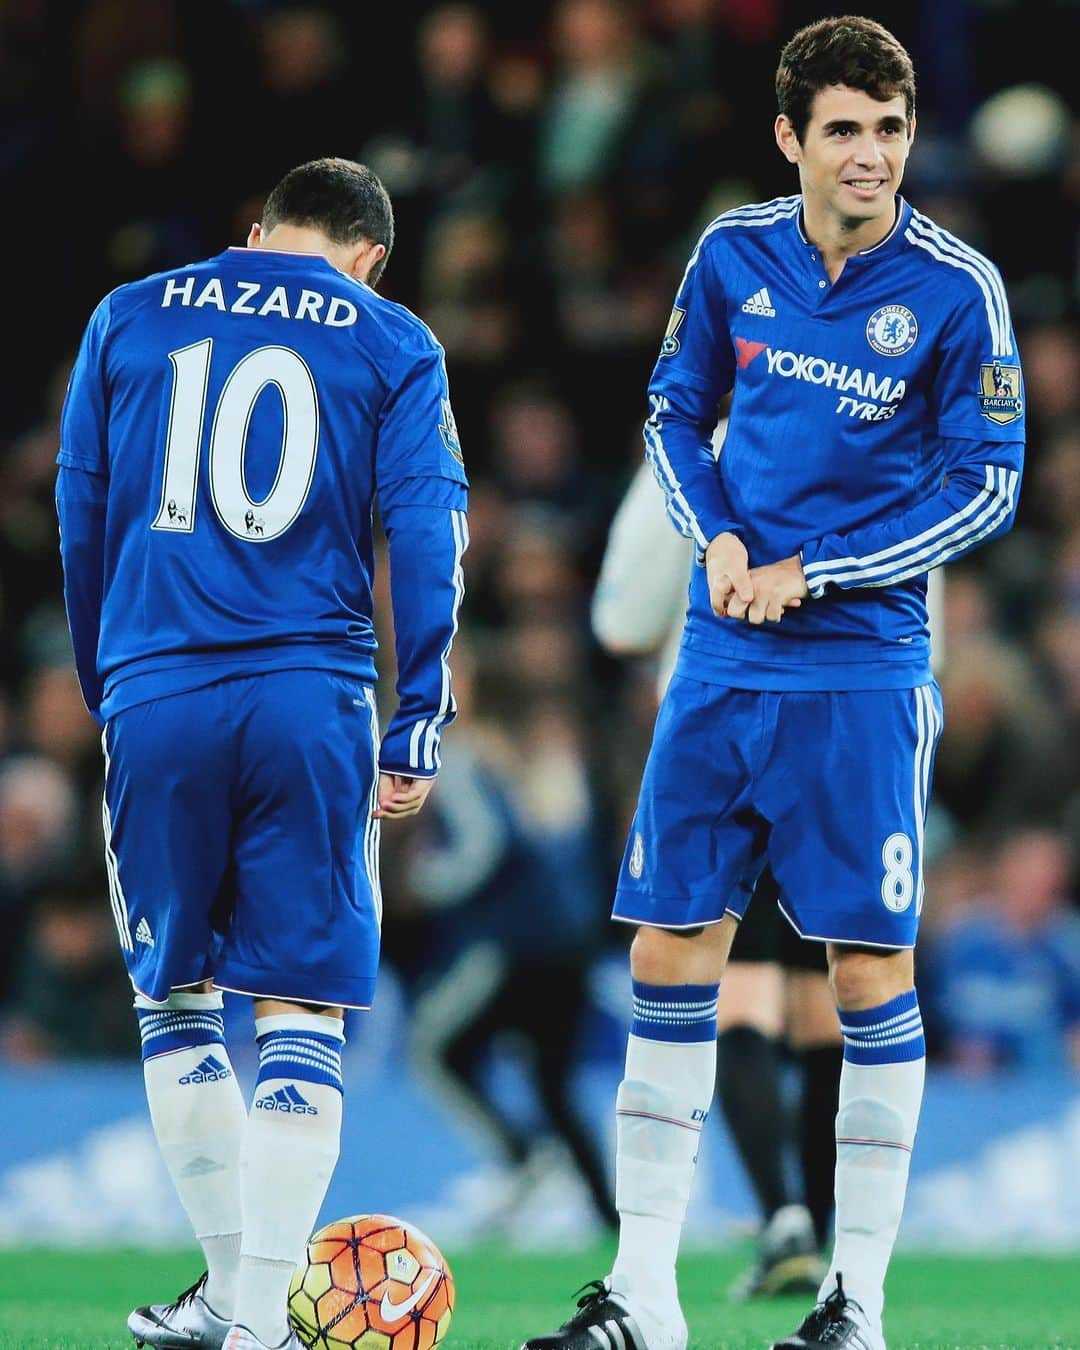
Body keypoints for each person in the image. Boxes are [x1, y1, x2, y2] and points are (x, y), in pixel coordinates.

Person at [523, 16, 1024, 1350]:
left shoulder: (958, 287)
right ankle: (644, 1292)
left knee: (867, 967)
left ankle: (853, 1296)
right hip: (722, 654)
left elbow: (988, 484)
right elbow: (672, 414)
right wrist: (728, 542)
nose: (871, 155)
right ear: (791, 137)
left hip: (861, 670)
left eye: (891, 130)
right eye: (845, 129)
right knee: (669, 946)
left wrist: (826, 569)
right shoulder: (730, 254)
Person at [55, 157, 468, 1350]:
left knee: (174, 1001)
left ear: (255, 233)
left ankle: (235, 1295)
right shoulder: (392, 340)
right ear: (369, 259)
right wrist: (421, 708)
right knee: (301, 1014)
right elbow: (430, 531)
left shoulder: (130, 313)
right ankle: (253, 1325)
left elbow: (82, 509)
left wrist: (109, 681)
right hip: (312, 693)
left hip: (158, 686)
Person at [593, 445, 843, 1298]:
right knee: (827, 1002)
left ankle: (783, 1221)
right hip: (854, 731)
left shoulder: (696, 455)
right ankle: (832, 1235)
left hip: (724, 735)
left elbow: (621, 617)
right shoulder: (886, 427)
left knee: (741, 991)